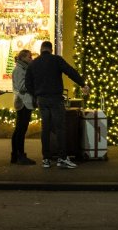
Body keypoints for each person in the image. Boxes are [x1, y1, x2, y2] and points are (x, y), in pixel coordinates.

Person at [26, 40, 88, 169]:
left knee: (46, 129)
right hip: (55, 99)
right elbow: (70, 71)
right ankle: (62, 157)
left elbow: (28, 83)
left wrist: (36, 95)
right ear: (51, 49)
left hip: (42, 99)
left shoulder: (34, 63)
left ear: (41, 50)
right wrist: (82, 84)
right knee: (60, 128)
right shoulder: (56, 60)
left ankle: (46, 159)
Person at [9, 49, 36, 165]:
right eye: (29, 57)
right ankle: (20, 155)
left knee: (20, 129)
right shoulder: (20, 70)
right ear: (23, 58)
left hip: (24, 101)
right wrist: (33, 83)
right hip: (23, 102)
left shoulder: (23, 69)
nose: (31, 59)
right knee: (21, 129)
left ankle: (16, 154)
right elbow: (21, 86)